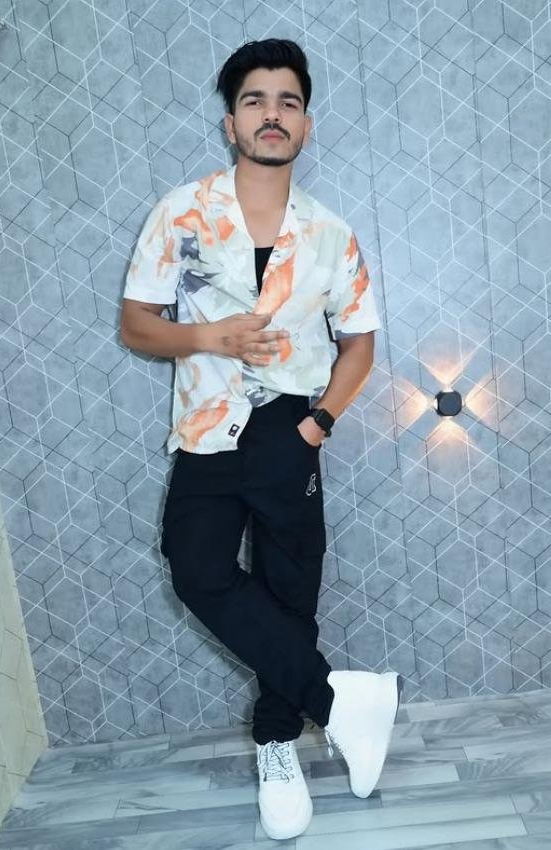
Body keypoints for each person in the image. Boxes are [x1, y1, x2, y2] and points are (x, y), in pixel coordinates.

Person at [120, 38, 403, 842]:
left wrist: (318, 424)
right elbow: (137, 324)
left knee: (289, 594)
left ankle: (277, 746)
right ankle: (341, 703)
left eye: (287, 102)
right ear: (230, 123)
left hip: (288, 428)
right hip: (205, 427)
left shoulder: (329, 232)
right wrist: (208, 338)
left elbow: (359, 343)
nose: (271, 114)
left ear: (305, 125)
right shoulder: (181, 211)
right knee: (196, 568)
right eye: (254, 100)